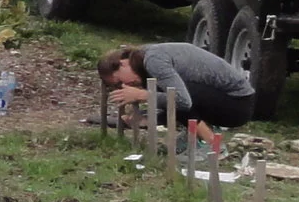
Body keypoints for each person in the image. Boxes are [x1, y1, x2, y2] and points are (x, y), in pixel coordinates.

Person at [98, 42, 255, 144]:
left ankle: (212, 144)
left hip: (237, 105)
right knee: (169, 94)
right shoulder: (146, 57)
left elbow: (182, 101)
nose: (125, 86)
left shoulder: (153, 60)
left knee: (176, 98)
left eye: (119, 81)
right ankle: (198, 138)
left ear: (122, 63)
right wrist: (144, 115)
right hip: (227, 99)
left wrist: (141, 95)